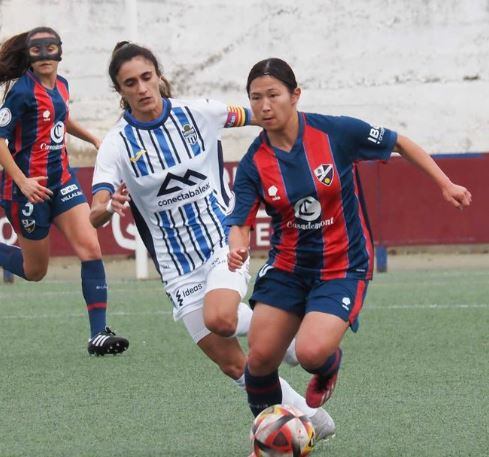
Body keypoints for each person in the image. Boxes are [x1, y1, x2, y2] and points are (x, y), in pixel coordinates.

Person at [89, 42, 335, 440]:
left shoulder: (198, 112)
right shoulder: (117, 143)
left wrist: (306, 143)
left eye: (147, 77)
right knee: (234, 365)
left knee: (220, 317)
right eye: (130, 83)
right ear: (121, 91)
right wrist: (105, 208)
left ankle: (283, 340)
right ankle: (312, 421)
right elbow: (97, 204)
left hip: (223, 245)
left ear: (159, 76)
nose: (141, 88)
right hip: (177, 270)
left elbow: (261, 114)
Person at [227, 57, 472, 418]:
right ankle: (267, 441)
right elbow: (240, 222)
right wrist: (238, 246)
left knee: (311, 353)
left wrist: (445, 183)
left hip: (342, 265)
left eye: (273, 95)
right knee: (260, 359)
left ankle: (328, 366)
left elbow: (399, 142)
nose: (264, 106)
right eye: (255, 98)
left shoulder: (335, 133)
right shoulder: (253, 163)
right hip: (288, 267)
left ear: (295, 95)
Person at [0, 27, 129, 356]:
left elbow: (62, 117)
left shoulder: (63, 85)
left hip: (62, 180)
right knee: (35, 271)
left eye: (51, 48)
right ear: (29, 55)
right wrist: (22, 181)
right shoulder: (20, 93)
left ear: (60, 52)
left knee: (91, 249)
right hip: (29, 189)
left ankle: (98, 334)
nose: (44, 56)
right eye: (37, 50)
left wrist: (92, 138)